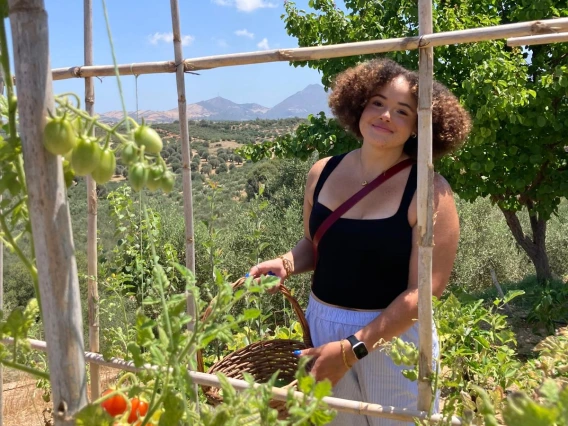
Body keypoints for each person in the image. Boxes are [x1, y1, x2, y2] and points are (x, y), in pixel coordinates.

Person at [247, 58, 471, 425]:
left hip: (393, 337)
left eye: (402, 111)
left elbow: (425, 293)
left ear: (418, 127)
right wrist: (286, 262)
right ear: (359, 107)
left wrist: (352, 349)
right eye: (378, 103)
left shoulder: (430, 191)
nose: (385, 116)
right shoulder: (322, 172)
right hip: (323, 327)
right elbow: (315, 244)